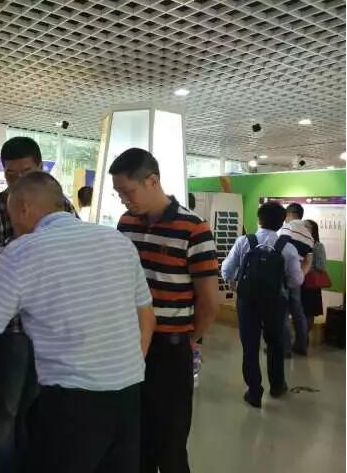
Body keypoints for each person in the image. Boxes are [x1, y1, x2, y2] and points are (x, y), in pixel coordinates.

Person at [0, 172, 156, 473]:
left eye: (11, 216)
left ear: (23, 208)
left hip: (70, 404)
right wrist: (127, 370)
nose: (13, 225)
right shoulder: (118, 242)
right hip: (129, 399)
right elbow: (147, 317)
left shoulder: (22, 252)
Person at [0, 137, 75, 473]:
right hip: (9, 327)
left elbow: (73, 253)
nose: (18, 181)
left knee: (39, 405)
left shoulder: (61, 206)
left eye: (25, 172)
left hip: (50, 325)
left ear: (40, 167)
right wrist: (16, 249)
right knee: (5, 408)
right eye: (11, 174)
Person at [110, 148, 219, 473]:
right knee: (134, 440)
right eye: (119, 194)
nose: (124, 201)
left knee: (170, 445)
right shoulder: (126, 223)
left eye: (128, 192)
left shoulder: (194, 228)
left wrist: (190, 338)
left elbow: (209, 301)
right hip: (129, 346)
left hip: (171, 349)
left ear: (152, 181)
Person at [221, 201, 304, 408]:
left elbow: (226, 270)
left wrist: (234, 282)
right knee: (275, 343)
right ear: (282, 223)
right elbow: (296, 280)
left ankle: (254, 392)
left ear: (259, 219)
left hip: (247, 301)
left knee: (250, 346)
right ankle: (277, 386)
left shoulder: (244, 241)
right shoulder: (287, 247)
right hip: (275, 302)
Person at [278, 202, 314, 356]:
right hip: (296, 276)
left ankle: (285, 348)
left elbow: (278, 251)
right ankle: (301, 346)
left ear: (289, 214)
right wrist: (300, 275)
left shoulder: (286, 228)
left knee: (282, 312)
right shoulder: (309, 235)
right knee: (298, 311)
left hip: (281, 275)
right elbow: (308, 260)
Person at [301, 219, 327, 335]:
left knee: (309, 312)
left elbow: (321, 266)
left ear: (313, 230)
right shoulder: (300, 243)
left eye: (307, 226)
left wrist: (306, 266)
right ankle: (300, 338)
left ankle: (304, 338)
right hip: (300, 282)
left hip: (311, 284)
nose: (304, 228)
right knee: (298, 312)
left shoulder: (318, 246)